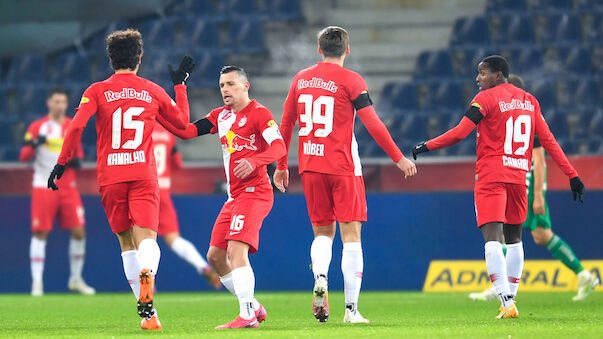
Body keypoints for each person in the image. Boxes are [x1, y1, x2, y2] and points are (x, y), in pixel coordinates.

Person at [412, 56, 585, 319]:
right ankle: (510, 301)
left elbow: (460, 132)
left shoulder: (485, 100)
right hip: (519, 177)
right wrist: (572, 175)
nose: (478, 78)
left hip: (491, 176)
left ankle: (505, 301)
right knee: (515, 241)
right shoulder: (529, 100)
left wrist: (427, 145)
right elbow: (548, 140)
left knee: (493, 239)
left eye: (482, 73)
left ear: (498, 74)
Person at [47, 29, 193, 330]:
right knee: (148, 239)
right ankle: (147, 277)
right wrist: (179, 86)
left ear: (110, 58)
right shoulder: (152, 90)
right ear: (139, 57)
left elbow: (75, 128)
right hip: (142, 174)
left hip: (111, 176)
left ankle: (149, 317)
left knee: (126, 243)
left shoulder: (96, 90)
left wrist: (61, 163)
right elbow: (182, 126)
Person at [273, 26, 417, 324]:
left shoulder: (300, 79)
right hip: (343, 166)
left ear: (319, 49)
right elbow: (373, 123)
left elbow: (285, 123)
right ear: (347, 49)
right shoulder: (351, 80)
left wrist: (281, 165)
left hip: (310, 166)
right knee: (351, 236)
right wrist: (398, 158)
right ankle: (351, 310)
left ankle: (321, 276)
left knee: (323, 233)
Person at [159, 65, 286, 329]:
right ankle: (253, 305)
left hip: (255, 193)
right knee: (215, 257)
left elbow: (279, 146)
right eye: (221, 86)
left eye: (230, 84)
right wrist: (179, 89)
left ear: (245, 86)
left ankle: (247, 315)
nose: (225, 90)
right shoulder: (221, 116)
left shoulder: (260, 114)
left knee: (236, 251)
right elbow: (185, 131)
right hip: (234, 197)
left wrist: (255, 161)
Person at [469, 74, 599, 302]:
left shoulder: (526, 116)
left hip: (525, 186)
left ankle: (501, 286)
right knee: (537, 235)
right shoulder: (513, 113)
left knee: (518, 233)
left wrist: (539, 195)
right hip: (517, 180)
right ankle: (582, 275)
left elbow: (539, 159)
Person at [20, 87, 95, 297]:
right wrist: (35, 144)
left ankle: (76, 278)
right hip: (43, 185)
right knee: (40, 232)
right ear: (49, 103)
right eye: (56, 101)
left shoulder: (72, 125)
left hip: (68, 186)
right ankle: (37, 283)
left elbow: (78, 154)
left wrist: (76, 161)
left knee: (79, 231)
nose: (60, 105)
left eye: (63, 102)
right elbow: (24, 156)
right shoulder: (37, 127)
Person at [151, 123, 221, 288]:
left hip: (144, 192)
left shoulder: (140, 131)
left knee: (140, 239)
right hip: (164, 193)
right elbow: (178, 163)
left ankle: (147, 286)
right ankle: (202, 266)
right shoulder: (168, 136)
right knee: (173, 239)